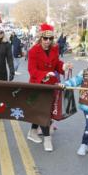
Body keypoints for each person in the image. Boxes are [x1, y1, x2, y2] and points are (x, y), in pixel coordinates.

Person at [27, 23, 73, 152]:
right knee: (44, 111)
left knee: (42, 111)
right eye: (45, 38)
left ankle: (32, 131)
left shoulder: (55, 48)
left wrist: (64, 67)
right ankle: (47, 138)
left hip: (51, 84)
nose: (48, 41)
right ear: (40, 38)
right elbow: (32, 70)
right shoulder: (33, 51)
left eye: (50, 39)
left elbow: (56, 63)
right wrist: (45, 74)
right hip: (38, 84)